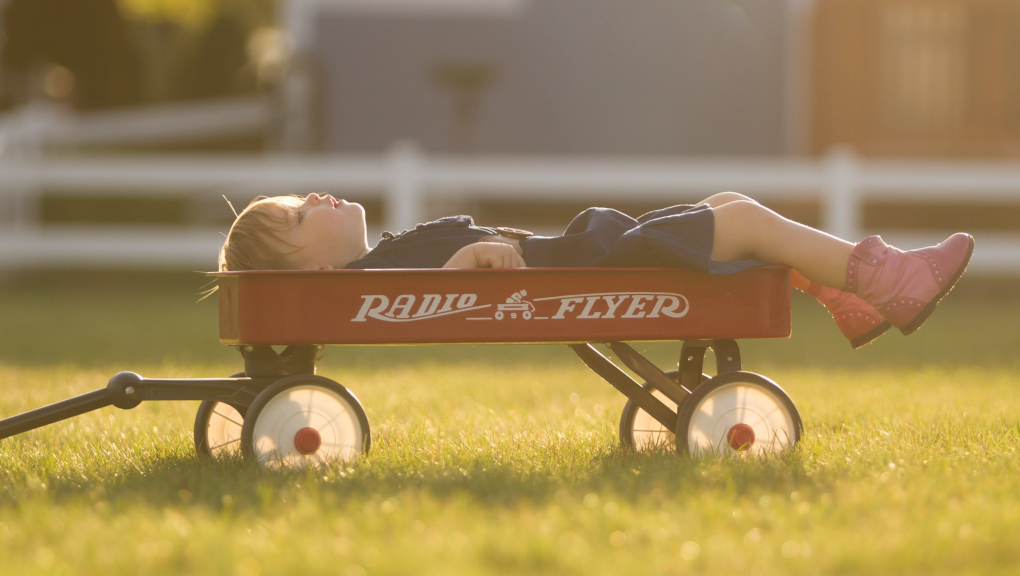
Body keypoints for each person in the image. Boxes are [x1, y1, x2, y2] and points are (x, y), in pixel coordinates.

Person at [218, 192, 974, 349]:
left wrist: (459, 256)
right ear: (312, 266)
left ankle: (848, 294)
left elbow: (409, 290)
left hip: (584, 256)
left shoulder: (382, 263)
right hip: (586, 266)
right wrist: (462, 259)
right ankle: (886, 281)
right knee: (740, 219)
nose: (311, 197)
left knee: (729, 209)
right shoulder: (376, 280)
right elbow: (425, 296)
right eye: (293, 215)